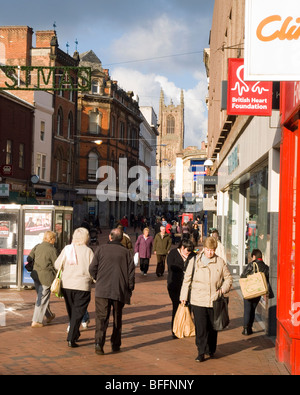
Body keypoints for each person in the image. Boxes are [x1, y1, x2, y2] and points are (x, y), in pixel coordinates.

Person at [180, 237, 232, 362]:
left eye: (212, 250)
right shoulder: (194, 261)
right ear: (204, 249)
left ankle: (211, 349)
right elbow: (187, 280)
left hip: (214, 300)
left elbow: (229, 279)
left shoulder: (220, 262)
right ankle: (201, 351)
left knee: (213, 327)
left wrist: (222, 290)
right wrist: (183, 297)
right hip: (198, 300)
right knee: (201, 327)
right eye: (208, 250)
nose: (210, 253)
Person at [89, 228, 135, 355]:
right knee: (117, 318)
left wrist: (98, 278)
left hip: (102, 289)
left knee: (101, 318)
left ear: (110, 237)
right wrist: (130, 288)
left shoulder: (101, 249)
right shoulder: (126, 253)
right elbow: (131, 274)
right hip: (118, 289)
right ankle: (115, 343)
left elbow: (92, 268)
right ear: (121, 239)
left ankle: (99, 343)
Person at [54, 228, 94, 347]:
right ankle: (71, 337)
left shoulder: (67, 249)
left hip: (67, 284)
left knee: (72, 311)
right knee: (78, 312)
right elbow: (93, 268)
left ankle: (74, 334)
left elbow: (57, 264)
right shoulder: (88, 251)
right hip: (82, 284)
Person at [167, 239, 195, 337]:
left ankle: (186, 328)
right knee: (177, 307)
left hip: (188, 287)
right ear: (182, 247)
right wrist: (184, 269)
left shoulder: (192, 256)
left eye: (190, 252)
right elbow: (171, 267)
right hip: (174, 286)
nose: (188, 254)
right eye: (187, 251)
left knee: (188, 307)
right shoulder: (173, 253)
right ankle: (175, 330)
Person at [30, 231, 57, 328]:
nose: (55, 240)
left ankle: (49, 315)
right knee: (41, 299)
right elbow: (56, 264)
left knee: (41, 296)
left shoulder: (37, 246)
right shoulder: (52, 250)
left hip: (36, 275)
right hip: (46, 276)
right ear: (51, 239)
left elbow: (29, 258)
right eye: (54, 239)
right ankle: (36, 321)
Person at [240, 249, 270, 336]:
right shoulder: (266, 267)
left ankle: (245, 329)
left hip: (249, 290)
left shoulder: (252, 264)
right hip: (258, 291)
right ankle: (250, 327)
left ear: (254, 256)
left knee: (247, 309)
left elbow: (243, 275)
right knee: (252, 309)